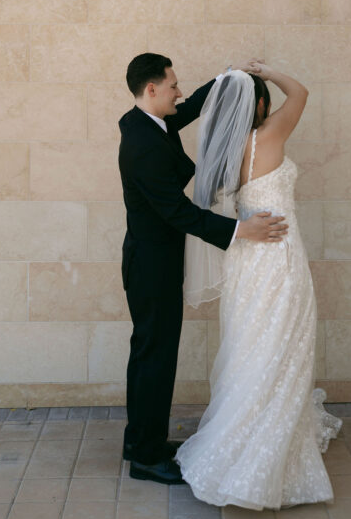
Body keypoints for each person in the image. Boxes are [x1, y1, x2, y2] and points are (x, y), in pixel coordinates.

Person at [176, 62, 342, 509]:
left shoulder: (224, 150)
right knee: (282, 348)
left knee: (251, 348)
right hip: (279, 259)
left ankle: (246, 436)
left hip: (245, 263)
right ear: (261, 104)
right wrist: (264, 68)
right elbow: (302, 91)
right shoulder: (268, 137)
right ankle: (266, 456)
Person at [118, 53, 289, 485]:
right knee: (156, 357)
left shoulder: (151, 122)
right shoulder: (142, 143)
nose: (179, 91)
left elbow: (192, 106)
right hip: (151, 266)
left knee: (148, 353)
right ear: (151, 89)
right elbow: (178, 212)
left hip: (152, 259)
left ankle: (140, 439)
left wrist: (230, 77)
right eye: (172, 85)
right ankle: (146, 457)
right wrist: (240, 231)